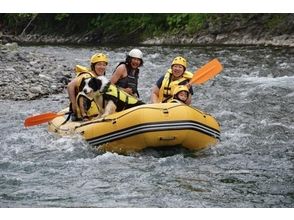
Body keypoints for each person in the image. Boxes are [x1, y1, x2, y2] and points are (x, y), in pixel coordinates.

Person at [67, 53, 108, 121]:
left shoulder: (100, 79)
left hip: (95, 110)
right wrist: (74, 105)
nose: (102, 67)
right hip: (84, 111)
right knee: (84, 94)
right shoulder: (86, 76)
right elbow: (70, 86)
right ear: (93, 66)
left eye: (104, 65)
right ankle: (84, 116)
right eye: (99, 64)